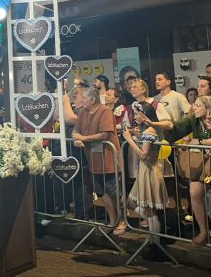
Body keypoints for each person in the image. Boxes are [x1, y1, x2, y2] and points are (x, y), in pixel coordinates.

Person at [159, 95, 211, 246]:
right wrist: (154, 123)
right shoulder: (193, 120)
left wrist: (198, 141)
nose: (194, 108)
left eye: (198, 105)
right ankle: (203, 231)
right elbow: (174, 127)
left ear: (208, 107)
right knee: (195, 194)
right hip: (200, 165)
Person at [62, 86, 124, 235]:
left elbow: (104, 135)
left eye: (84, 99)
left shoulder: (105, 111)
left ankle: (122, 221)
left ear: (93, 99)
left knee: (114, 191)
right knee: (102, 192)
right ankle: (112, 220)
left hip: (108, 157)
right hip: (93, 159)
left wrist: (83, 138)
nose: (81, 101)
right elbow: (76, 130)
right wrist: (76, 137)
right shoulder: (83, 112)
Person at [121, 106, 166, 239]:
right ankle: (154, 236)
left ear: (144, 115)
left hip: (149, 171)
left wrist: (129, 139)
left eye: (136, 114)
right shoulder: (150, 130)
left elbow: (143, 154)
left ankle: (155, 239)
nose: (134, 117)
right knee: (132, 202)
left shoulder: (150, 132)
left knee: (149, 209)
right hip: (147, 169)